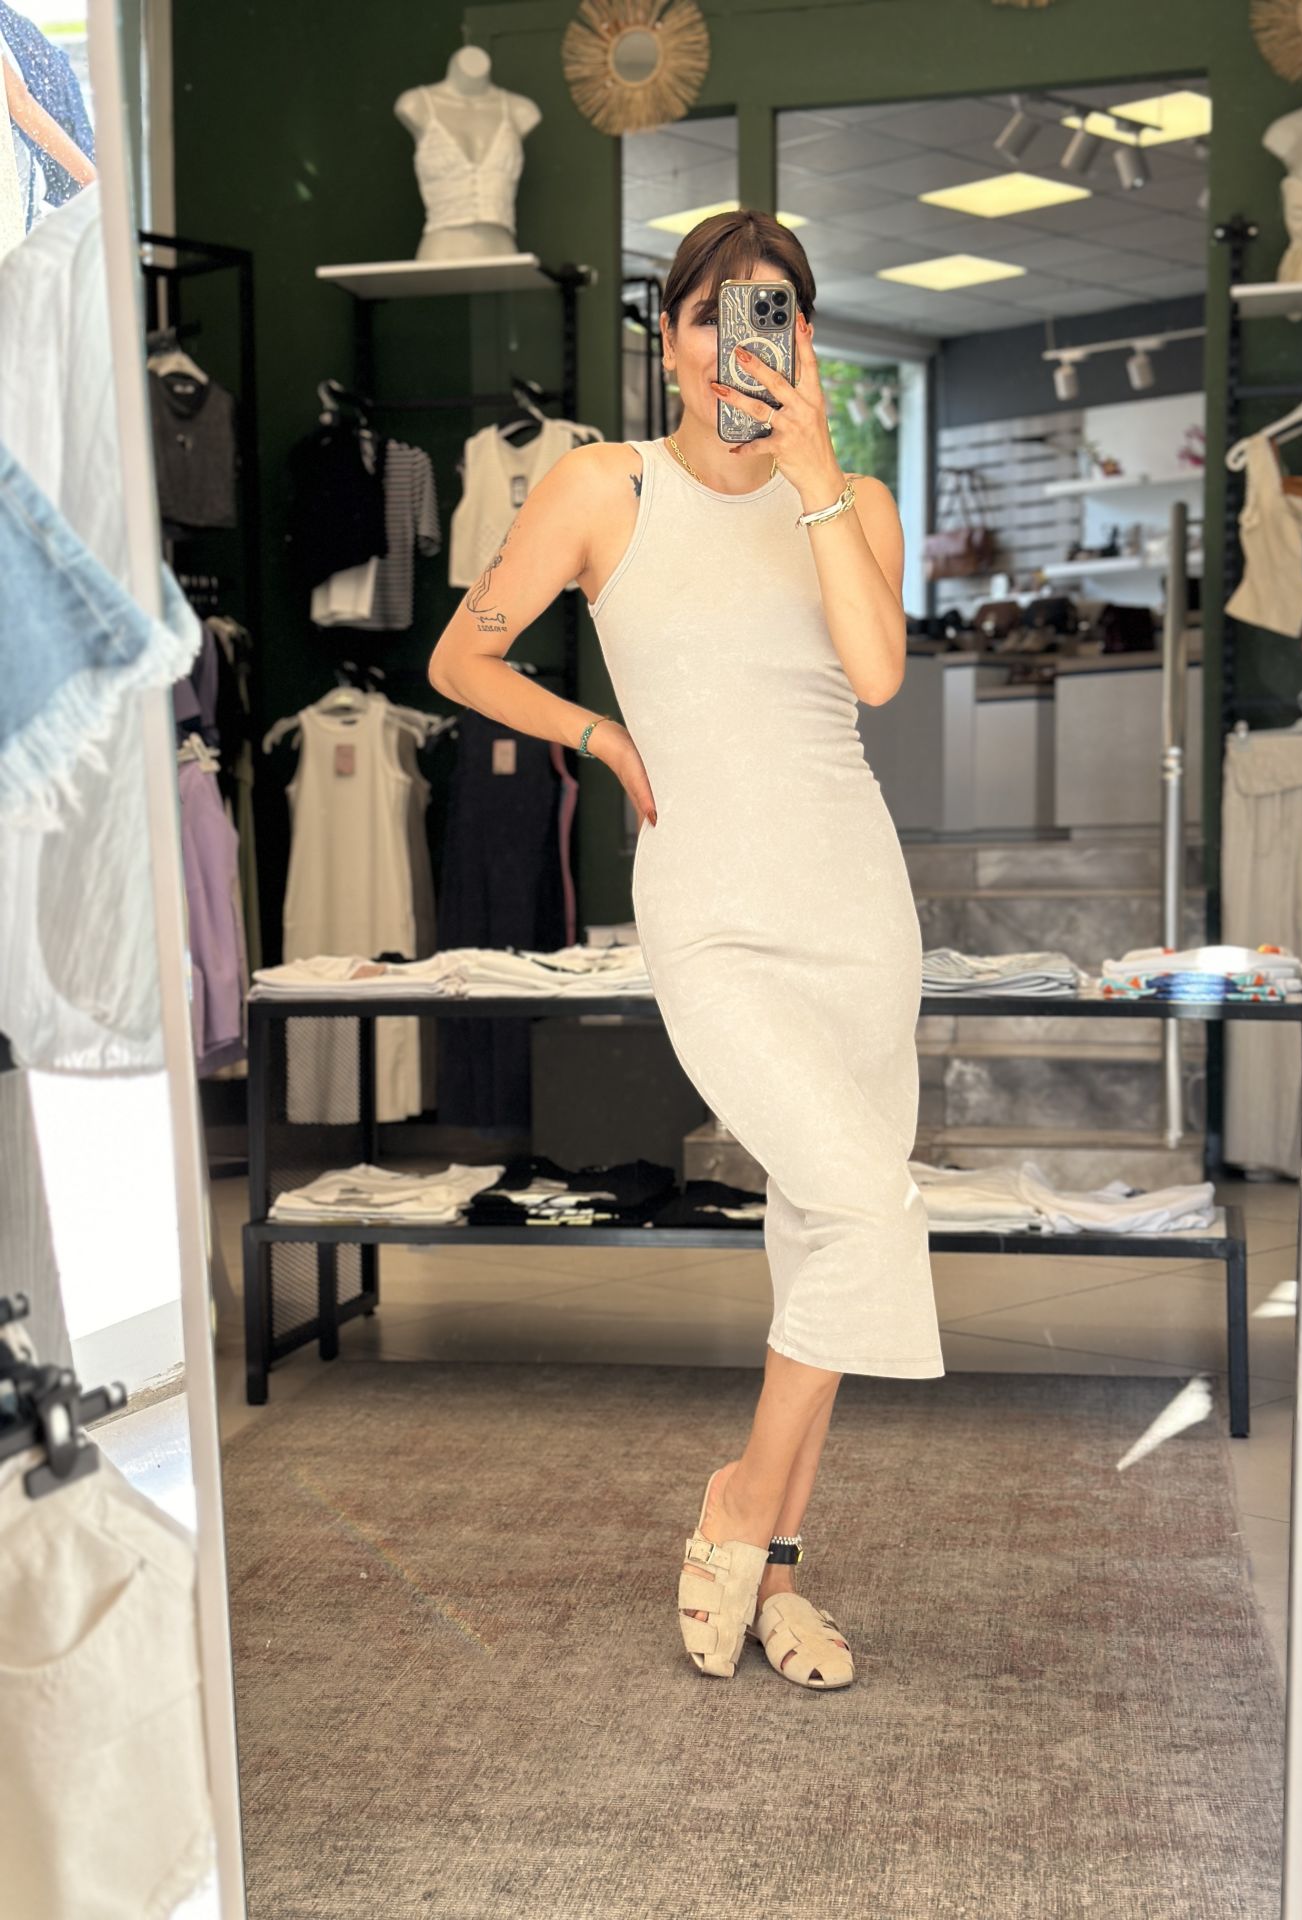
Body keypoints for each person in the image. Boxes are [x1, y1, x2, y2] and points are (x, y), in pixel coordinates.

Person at [428, 208, 944, 1693]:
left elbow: (877, 677)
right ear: (669, 340)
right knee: (869, 1204)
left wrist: (817, 474)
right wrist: (597, 734)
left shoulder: (849, 498)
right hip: (710, 908)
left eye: (772, 312)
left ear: (805, 341)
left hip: (856, 909)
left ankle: (774, 1566)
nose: (739, 342)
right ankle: (736, 1506)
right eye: (716, 313)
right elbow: (462, 657)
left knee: (823, 1229)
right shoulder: (604, 486)